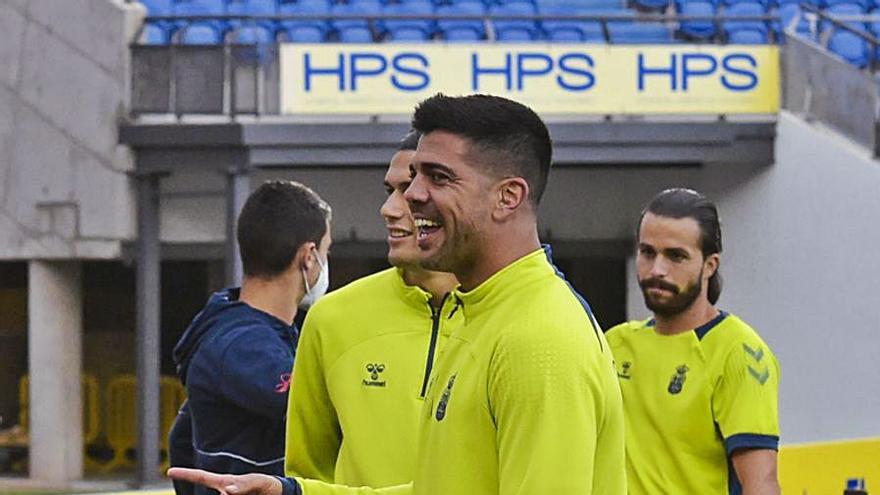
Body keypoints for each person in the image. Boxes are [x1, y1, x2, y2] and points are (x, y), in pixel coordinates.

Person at [169, 94, 627, 495]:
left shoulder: (538, 338)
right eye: (411, 181)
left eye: (438, 178)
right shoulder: (477, 314)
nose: (411, 198)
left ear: (507, 197)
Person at [284, 130, 462, 487]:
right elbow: (306, 476)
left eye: (412, 191)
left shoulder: (519, 318)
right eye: (390, 191)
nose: (390, 209)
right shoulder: (330, 319)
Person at [606, 188, 781, 495]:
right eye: (647, 252)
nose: (657, 269)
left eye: (676, 256)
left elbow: (761, 484)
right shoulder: (614, 344)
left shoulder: (738, 352)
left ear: (710, 265)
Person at [168, 180, 332, 495]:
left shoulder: (243, 334)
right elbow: (315, 404)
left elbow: (181, 439)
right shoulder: (241, 345)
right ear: (309, 256)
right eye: (327, 250)